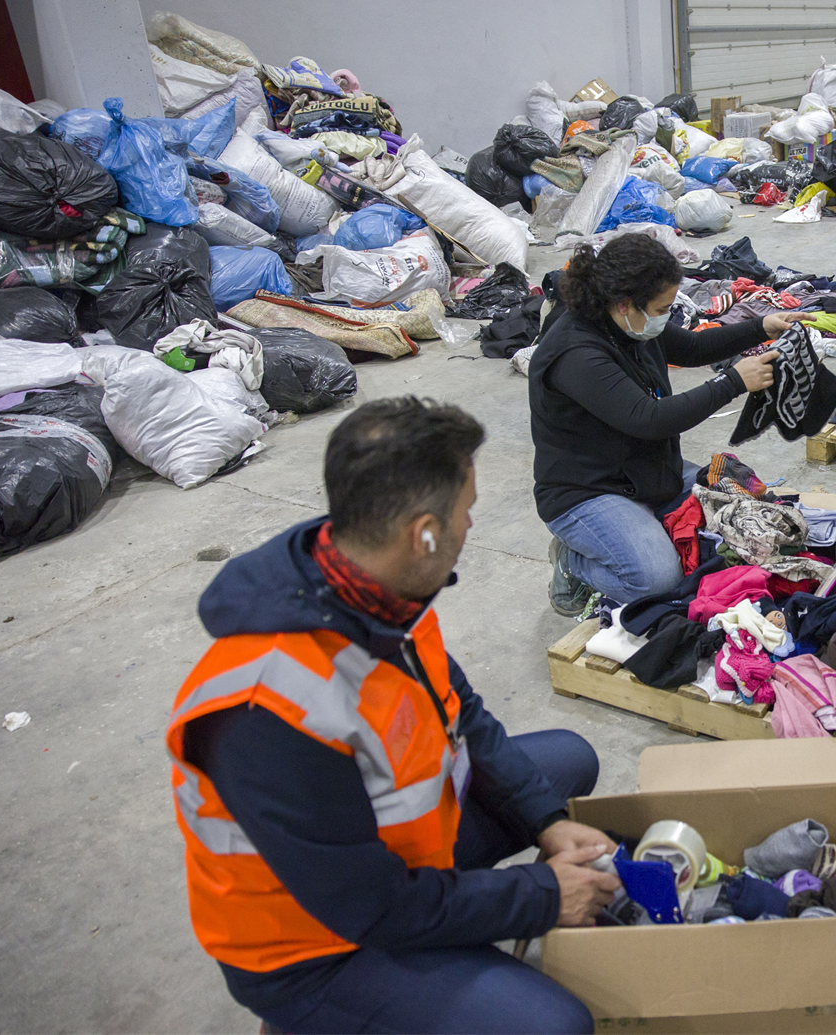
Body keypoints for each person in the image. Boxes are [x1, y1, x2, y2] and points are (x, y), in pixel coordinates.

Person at [166, 398, 618, 1035]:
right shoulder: (265, 712)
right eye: (467, 512)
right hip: (315, 944)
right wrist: (544, 897)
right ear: (425, 533)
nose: (470, 525)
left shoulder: (377, 591)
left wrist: (544, 821)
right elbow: (370, 905)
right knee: (553, 1025)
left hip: (390, 857)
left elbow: (463, 715)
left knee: (566, 762)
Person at [529, 233, 810, 614]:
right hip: (588, 491)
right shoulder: (575, 353)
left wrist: (761, 328)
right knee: (659, 580)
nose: (664, 316)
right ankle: (572, 561)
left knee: (746, 514)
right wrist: (732, 382)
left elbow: (692, 348)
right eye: (661, 308)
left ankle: (642, 525)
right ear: (624, 303)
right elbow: (648, 419)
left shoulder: (628, 324)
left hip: (645, 471)